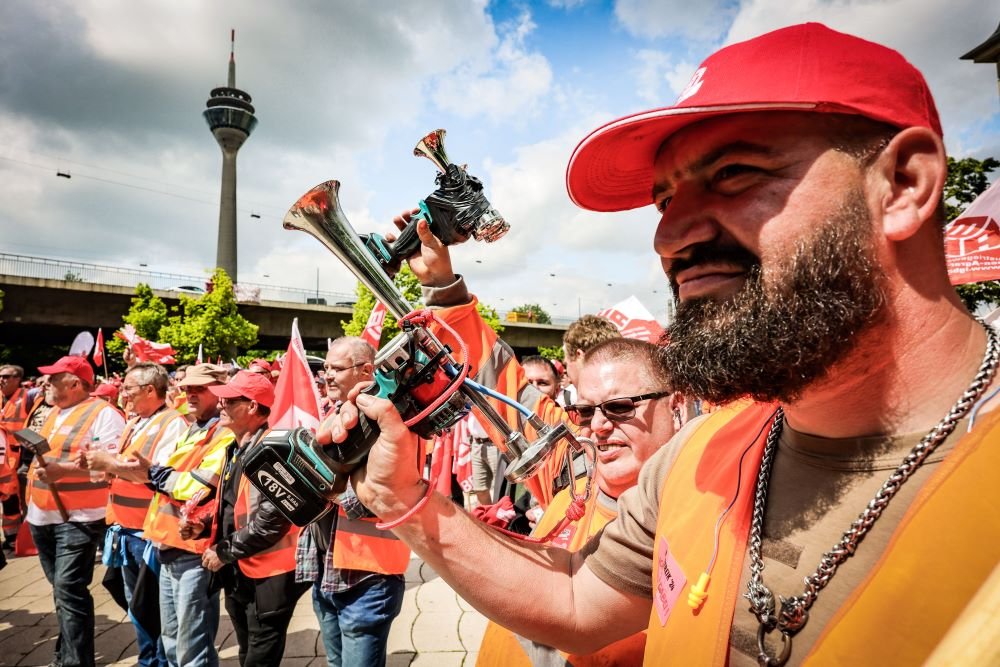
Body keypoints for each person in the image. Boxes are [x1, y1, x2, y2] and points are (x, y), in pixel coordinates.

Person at [323, 23, 1000, 666]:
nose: (668, 235)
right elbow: (575, 598)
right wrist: (405, 497)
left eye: (734, 171)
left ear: (904, 183)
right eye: (663, 198)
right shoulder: (706, 452)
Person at [477, 338, 685, 665]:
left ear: (676, 406)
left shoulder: (694, 516)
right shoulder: (570, 465)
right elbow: (499, 385)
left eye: (620, 407)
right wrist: (445, 294)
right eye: (585, 411)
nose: (599, 426)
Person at [298, 336, 410, 667]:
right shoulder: (335, 413)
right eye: (325, 368)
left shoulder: (394, 419)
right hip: (326, 572)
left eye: (335, 368)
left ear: (366, 370)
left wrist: (326, 490)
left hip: (367, 578)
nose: (326, 375)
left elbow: (398, 493)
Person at [186, 371, 305, 666]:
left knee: (259, 658)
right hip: (240, 572)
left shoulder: (274, 448)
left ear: (252, 406)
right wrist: (202, 525)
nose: (220, 404)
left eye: (228, 399)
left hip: (269, 577)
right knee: (245, 651)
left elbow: (271, 521)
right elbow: (231, 506)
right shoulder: (235, 448)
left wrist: (223, 551)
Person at [80, 362, 187, 667]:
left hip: (148, 532)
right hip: (126, 530)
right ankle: (149, 659)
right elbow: (123, 466)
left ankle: (157, 661)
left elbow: (157, 476)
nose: (122, 394)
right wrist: (100, 466)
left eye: (128, 388)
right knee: (138, 608)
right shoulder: (135, 422)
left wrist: (109, 464)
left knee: (152, 608)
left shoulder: (172, 424)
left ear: (150, 390)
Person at [25, 355, 126, 667]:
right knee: (62, 592)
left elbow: (110, 468)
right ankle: (64, 654)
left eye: (54, 378)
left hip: (79, 518)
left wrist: (62, 471)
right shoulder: (55, 411)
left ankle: (75, 661)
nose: (47, 383)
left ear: (74, 383)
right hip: (43, 516)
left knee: (69, 589)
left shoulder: (104, 415)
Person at [140, 363, 234, 667]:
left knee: (192, 648)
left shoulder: (224, 434)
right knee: (171, 641)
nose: (190, 394)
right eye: (187, 388)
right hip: (169, 543)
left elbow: (194, 485)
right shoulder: (194, 427)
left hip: (194, 550)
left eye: (199, 388)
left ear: (219, 393)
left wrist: (151, 473)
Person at [0, 364, 43, 547]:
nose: (1, 380)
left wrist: (38, 451)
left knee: (20, 497)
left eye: (6, 376)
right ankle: (10, 536)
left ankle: (25, 536)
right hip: (3, 456)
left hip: (21, 456)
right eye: (0, 376)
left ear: (17, 379)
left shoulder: (28, 397)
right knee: (6, 496)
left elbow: (37, 424)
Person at [559, 315, 621, 406]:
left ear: (580, 357)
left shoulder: (572, 401)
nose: (567, 372)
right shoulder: (636, 399)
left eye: (566, 364)